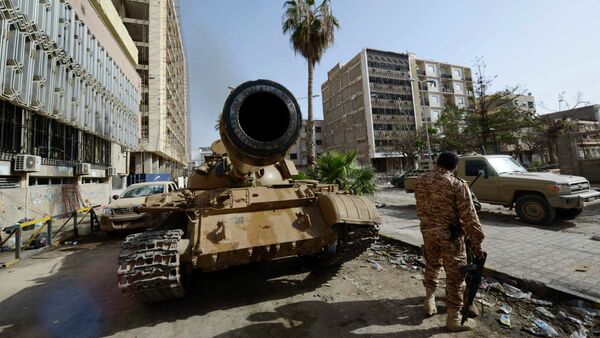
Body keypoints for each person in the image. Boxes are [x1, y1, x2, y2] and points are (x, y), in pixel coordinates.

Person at [414, 151, 485, 332]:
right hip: (450, 238)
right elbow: (469, 217)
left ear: (437, 163)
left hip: (428, 234)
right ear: (454, 167)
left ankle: (429, 301)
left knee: (432, 265)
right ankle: (453, 318)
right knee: (455, 276)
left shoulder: (421, 180)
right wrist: (477, 243)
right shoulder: (456, 184)